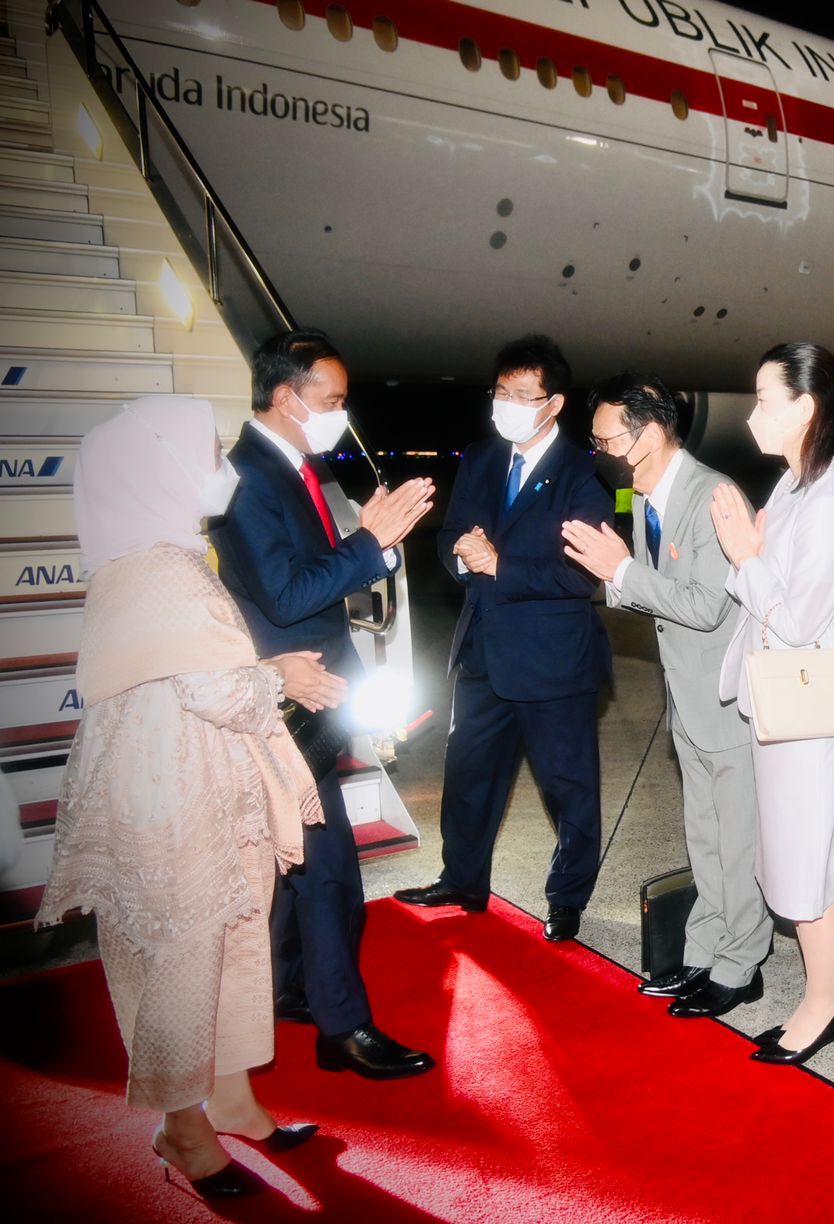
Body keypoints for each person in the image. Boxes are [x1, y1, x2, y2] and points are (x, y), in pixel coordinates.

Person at [40, 396, 338, 1198]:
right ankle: (182, 1127)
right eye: (206, 455)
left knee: (235, 936)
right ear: (157, 472)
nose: (223, 470)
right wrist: (280, 676)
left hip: (197, 782)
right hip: (174, 797)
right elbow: (216, 689)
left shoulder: (150, 557)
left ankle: (234, 1098)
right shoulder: (157, 573)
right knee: (182, 954)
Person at [211, 330, 436, 1079]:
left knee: (303, 867)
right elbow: (284, 592)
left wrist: (367, 540)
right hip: (284, 701)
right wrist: (369, 543)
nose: (341, 414)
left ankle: (291, 987)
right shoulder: (246, 476)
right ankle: (343, 1026)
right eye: (331, 402)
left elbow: (311, 572)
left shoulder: (293, 466)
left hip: (315, 696)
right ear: (285, 396)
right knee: (329, 869)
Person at [561, 373, 772, 1018]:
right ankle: (708, 950)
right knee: (703, 835)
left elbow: (707, 606)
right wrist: (625, 572)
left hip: (727, 702)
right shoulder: (650, 496)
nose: (598, 451)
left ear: (648, 435)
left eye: (605, 439)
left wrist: (620, 572)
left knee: (737, 841)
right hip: (688, 697)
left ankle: (743, 966)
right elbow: (661, 594)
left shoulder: (709, 495)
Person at [395, 335, 611, 943]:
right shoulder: (484, 458)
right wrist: (463, 558)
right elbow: (452, 535)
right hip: (485, 652)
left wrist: (500, 567)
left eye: (523, 395)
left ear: (553, 403)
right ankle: (461, 879)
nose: (508, 404)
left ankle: (567, 898)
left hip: (552, 662)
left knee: (568, 787)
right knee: (468, 774)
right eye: (501, 392)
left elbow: (583, 572)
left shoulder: (581, 473)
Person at [711, 342, 834, 1067]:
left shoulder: (830, 501)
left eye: (766, 402)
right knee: (797, 858)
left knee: (805, 866)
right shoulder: (794, 485)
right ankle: (823, 992)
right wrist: (752, 553)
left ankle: (823, 1004)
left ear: (805, 408)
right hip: (784, 695)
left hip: (810, 701)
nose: (753, 416)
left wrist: (745, 555)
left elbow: (798, 621)